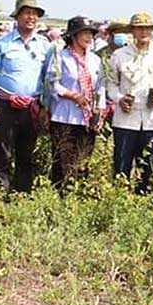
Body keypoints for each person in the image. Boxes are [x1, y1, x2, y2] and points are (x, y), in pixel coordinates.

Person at [0, 0, 52, 193]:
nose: (31, 17)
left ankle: (23, 194)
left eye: (34, 14)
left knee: (26, 154)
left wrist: (45, 107)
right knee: (3, 151)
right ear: (17, 16)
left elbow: (48, 79)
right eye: (26, 13)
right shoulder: (2, 44)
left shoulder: (45, 45)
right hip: (6, 105)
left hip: (31, 106)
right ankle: (2, 194)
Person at [106, 12, 153, 193]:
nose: (143, 32)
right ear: (132, 31)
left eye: (147, 28)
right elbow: (111, 84)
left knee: (147, 167)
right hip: (125, 119)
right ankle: (119, 203)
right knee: (121, 167)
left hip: (151, 120)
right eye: (139, 28)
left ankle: (142, 202)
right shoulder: (119, 55)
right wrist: (119, 99)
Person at [45, 16, 106, 190]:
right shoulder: (60, 57)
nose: (88, 37)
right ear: (73, 35)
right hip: (65, 116)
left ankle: (78, 197)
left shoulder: (95, 60)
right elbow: (51, 83)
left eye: (90, 33)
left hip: (87, 119)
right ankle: (60, 198)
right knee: (63, 163)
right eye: (84, 33)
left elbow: (100, 86)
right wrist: (72, 95)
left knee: (83, 162)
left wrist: (100, 110)